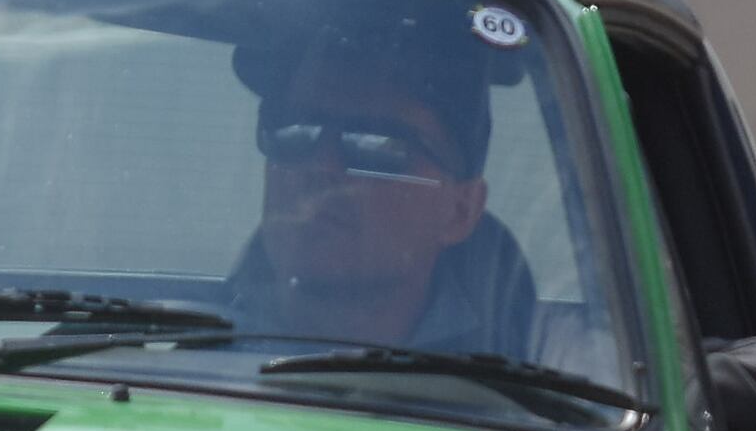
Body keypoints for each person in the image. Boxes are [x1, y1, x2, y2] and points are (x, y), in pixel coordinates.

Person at [223, 22, 541, 358]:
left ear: (460, 212)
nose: (320, 168)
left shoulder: (535, 391)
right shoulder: (174, 362)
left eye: (377, 145)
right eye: (292, 131)